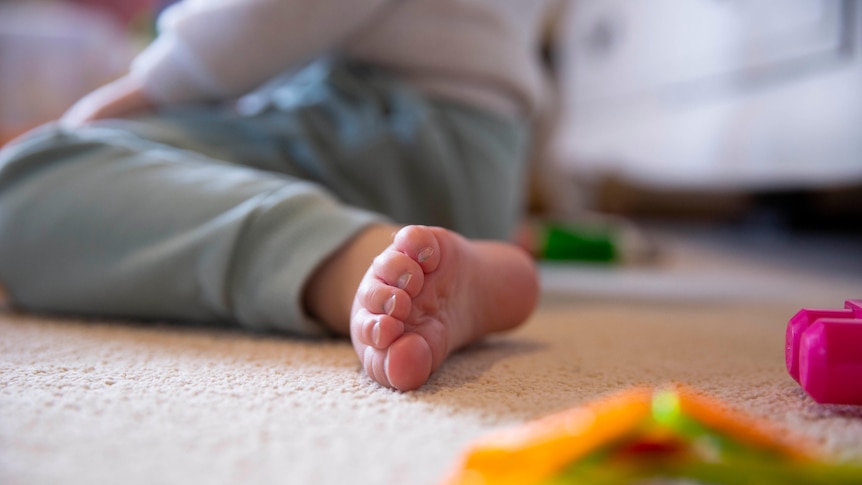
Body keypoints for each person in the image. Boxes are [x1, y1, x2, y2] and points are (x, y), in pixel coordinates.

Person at [0, 0, 558, 391]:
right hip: (478, 158)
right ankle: (420, 256)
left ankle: (356, 266)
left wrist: (118, 102)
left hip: (370, 121)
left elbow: (274, 12)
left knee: (26, 181)